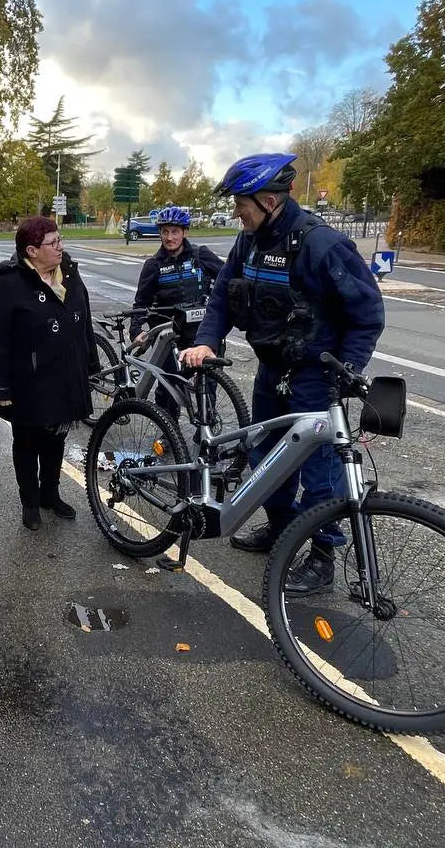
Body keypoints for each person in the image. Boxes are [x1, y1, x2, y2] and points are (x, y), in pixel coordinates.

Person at [179, 153, 384, 596]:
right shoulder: (248, 242)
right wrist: (206, 341)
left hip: (314, 376)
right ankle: (282, 530)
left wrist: (347, 371)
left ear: (269, 201)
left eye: (241, 203)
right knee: (266, 457)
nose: (236, 211)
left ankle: (323, 557)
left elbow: (367, 313)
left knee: (321, 469)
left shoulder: (321, 245)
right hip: (273, 371)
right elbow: (222, 298)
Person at [0, 216, 100, 531]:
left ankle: (50, 494)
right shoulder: (10, 283)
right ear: (32, 251)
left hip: (64, 374)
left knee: (56, 437)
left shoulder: (67, 274)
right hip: (27, 379)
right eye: (53, 243)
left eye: (60, 240)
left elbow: (83, 321)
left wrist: (90, 365)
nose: (60, 247)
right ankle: (30, 503)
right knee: (27, 440)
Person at [129, 205, 224, 419]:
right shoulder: (153, 265)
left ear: (184, 232)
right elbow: (140, 303)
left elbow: (227, 283)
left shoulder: (201, 256)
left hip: (201, 333)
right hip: (169, 337)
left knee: (208, 384)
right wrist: (136, 331)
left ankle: (206, 431)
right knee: (169, 387)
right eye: (165, 232)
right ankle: (169, 432)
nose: (170, 237)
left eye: (175, 231)